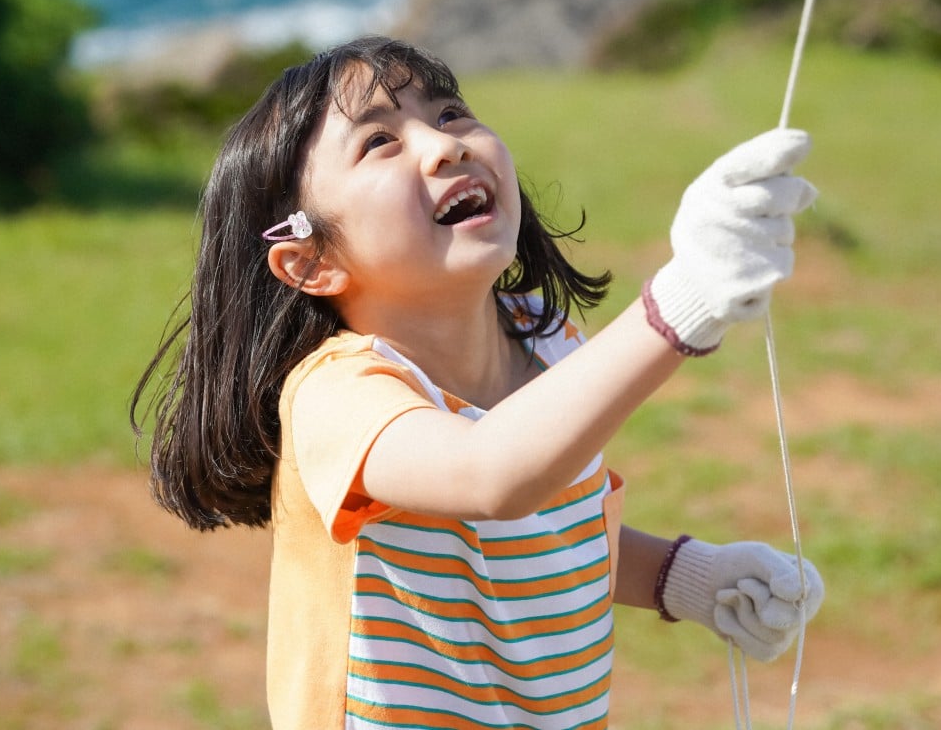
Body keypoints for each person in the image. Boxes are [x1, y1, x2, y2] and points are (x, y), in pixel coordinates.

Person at [132, 36, 825, 729]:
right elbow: (489, 475)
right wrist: (681, 301)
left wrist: (692, 576)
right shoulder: (335, 392)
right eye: (379, 142)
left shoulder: (548, 342)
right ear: (311, 262)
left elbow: (553, 542)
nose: (444, 145)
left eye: (450, 113)